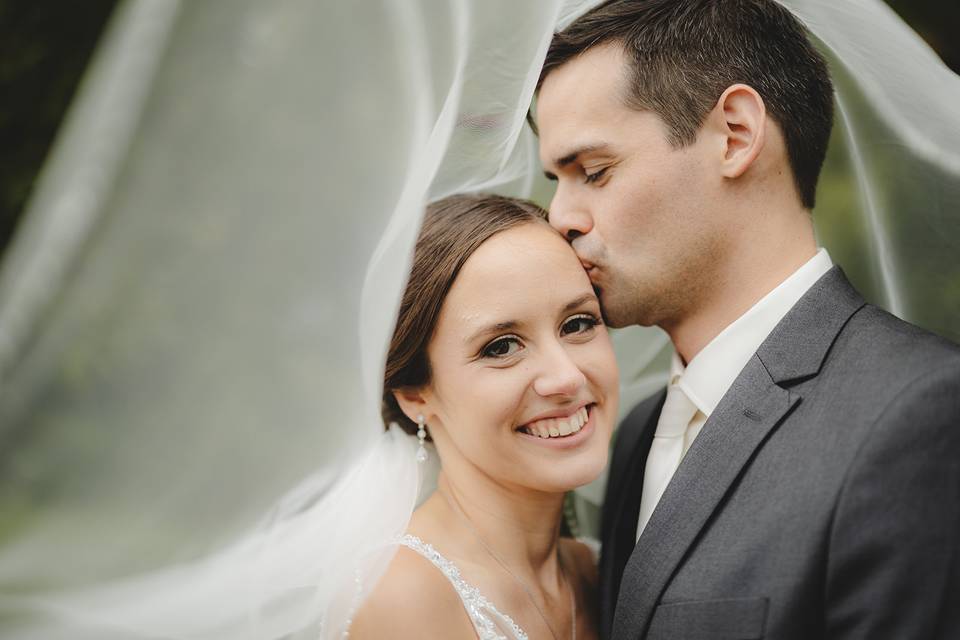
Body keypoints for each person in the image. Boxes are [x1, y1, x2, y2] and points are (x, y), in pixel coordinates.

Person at [533, 1, 960, 639]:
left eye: (593, 172)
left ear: (735, 134)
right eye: (555, 181)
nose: (559, 218)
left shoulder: (921, 413)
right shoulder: (637, 434)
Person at [349, 193, 619, 639]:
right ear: (415, 394)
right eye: (502, 347)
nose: (566, 378)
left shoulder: (595, 569)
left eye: (577, 323)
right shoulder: (404, 596)